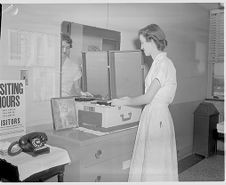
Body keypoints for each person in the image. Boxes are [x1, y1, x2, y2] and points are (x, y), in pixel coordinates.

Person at [109, 24, 178, 181]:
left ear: (152, 41)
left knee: (155, 162)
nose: (140, 47)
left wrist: (126, 101)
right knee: (147, 160)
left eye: (142, 42)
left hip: (157, 117)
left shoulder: (163, 64)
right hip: (152, 115)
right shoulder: (158, 63)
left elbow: (148, 97)